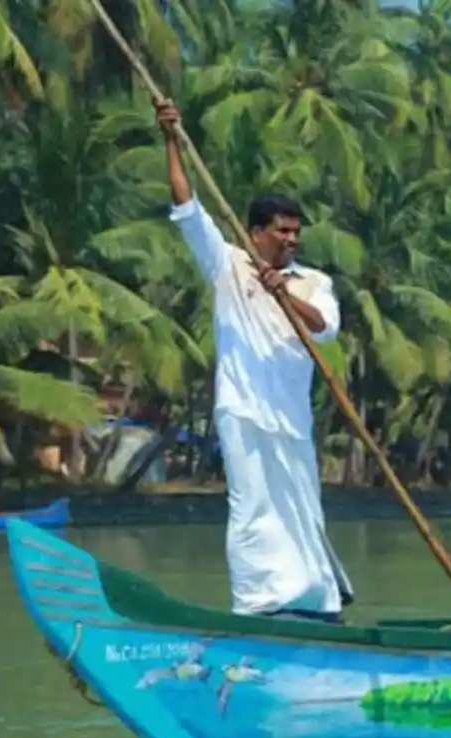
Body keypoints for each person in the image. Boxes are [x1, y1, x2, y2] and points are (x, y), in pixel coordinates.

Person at [157, 99, 353, 622]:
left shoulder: (314, 282)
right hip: (243, 409)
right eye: (282, 231)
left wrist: (282, 294)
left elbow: (325, 328)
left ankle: (319, 601)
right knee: (251, 508)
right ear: (258, 232)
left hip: (292, 416)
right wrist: (172, 138)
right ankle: (258, 605)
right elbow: (185, 206)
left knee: (301, 507)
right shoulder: (229, 264)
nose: (291, 240)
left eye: (296, 232)